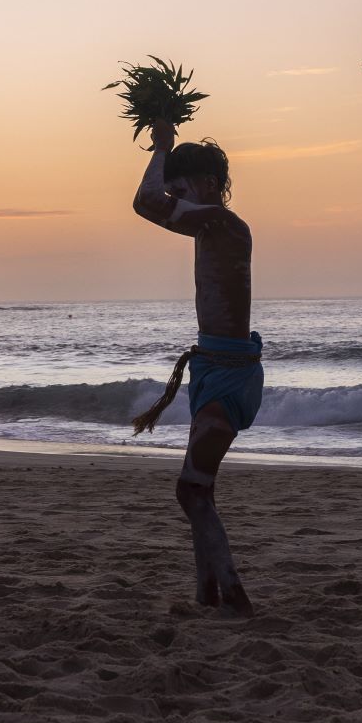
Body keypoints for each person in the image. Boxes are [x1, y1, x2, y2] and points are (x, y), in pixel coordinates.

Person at [128, 123, 259, 614]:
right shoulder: (208, 229)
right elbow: (153, 199)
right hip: (213, 366)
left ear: (208, 183)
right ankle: (206, 594)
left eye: (182, 188)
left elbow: (145, 200)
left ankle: (234, 595)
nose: (175, 197)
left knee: (190, 488)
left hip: (230, 373)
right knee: (197, 487)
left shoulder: (225, 224)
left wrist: (161, 146)